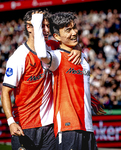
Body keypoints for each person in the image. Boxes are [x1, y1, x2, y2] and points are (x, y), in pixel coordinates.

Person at [1, 9, 82, 150]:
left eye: (47, 26)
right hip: (25, 126)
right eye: (41, 25)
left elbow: (70, 42)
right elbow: (5, 91)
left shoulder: (51, 45)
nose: (46, 30)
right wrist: (10, 122)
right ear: (29, 27)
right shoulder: (19, 57)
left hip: (49, 127)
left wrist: (78, 48)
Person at [32, 11, 98, 149]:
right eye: (68, 30)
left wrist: (78, 48)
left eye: (74, 28)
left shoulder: (83, 57)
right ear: (57, 36)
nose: (74, 33)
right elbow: (42, 53)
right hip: (68, 126)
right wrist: (37, 21)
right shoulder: (57, 57)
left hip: (88, 126)